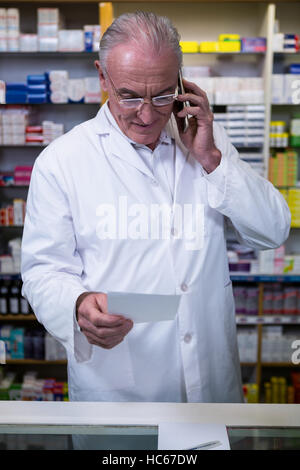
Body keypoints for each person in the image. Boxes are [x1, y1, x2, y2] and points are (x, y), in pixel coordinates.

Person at [21, 11, 290, 405]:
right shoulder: (62, 161)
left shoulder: (208, 142)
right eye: (129, 95)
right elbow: (44, 270)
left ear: (182, 82)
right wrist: (77, 306)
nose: (146, 114)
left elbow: (273, 230)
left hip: (211, 389)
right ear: (102, 77)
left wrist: (212, 158)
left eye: (163, 94)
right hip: (118, 390)